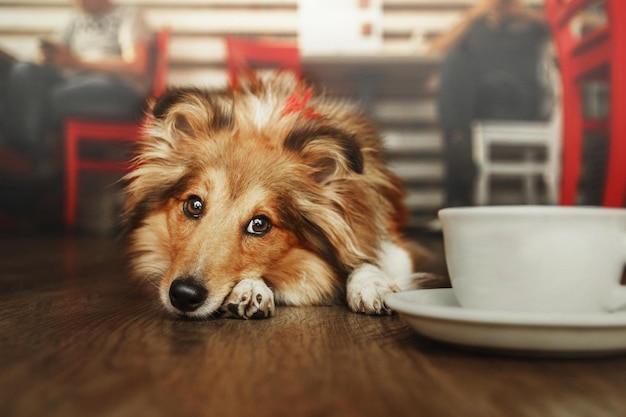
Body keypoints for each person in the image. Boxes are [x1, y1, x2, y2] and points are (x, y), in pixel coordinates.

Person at [0, 0, 152, 166]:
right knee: (24, 70)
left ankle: (28, 160)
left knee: (44, 100)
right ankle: (26, 157)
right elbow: (57, 57)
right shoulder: (75, 19)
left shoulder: (129, 14)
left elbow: (137, 66)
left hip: (117, 87)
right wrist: (47, 58)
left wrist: (78, 62)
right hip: (73, 82)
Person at [429, 0, 550, 207]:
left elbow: (582, 27)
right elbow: (434, 51)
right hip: (484, 103)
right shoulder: (475, 23)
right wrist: (473, 16)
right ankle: (460, 147)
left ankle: (458, 191)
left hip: (518, 100)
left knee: (455, 82)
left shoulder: (533, 23)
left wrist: (525, 14)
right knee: (454, 61)